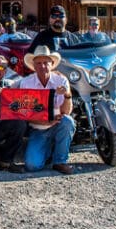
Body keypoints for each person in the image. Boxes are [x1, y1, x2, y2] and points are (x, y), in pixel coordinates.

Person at [16, 45, 75, 174]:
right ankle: (49, 149)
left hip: (57, 124)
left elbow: (66, 111)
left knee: (68, 121)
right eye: (39, 63)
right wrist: (45, 122)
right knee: (32, 166)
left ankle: (60, 161)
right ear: (34, 66)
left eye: (45, 63)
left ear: (52, 64)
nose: (42, 66)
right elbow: (24, 113)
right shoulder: (26, 83)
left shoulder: (61, 80)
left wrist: (67, 95)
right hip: (38, 128)